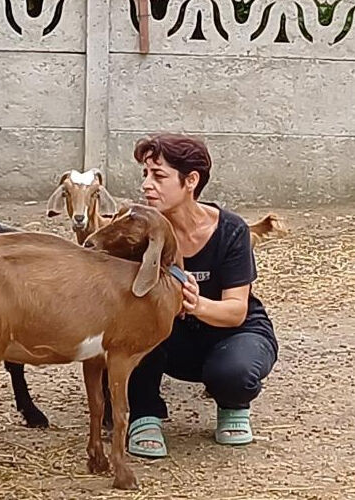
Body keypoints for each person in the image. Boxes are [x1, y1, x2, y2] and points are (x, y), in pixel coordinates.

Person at [125, 133, 278, 458]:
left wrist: (194, 303)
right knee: (131, 334)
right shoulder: (142, 230)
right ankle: (144, 413)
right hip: (172, 339)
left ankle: (233, 402)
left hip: (232, 332)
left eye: (159, 176)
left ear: (191, 180)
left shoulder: (231, 230)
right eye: (145, 175)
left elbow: (236, 311)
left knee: (234, 372)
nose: (146, 185)